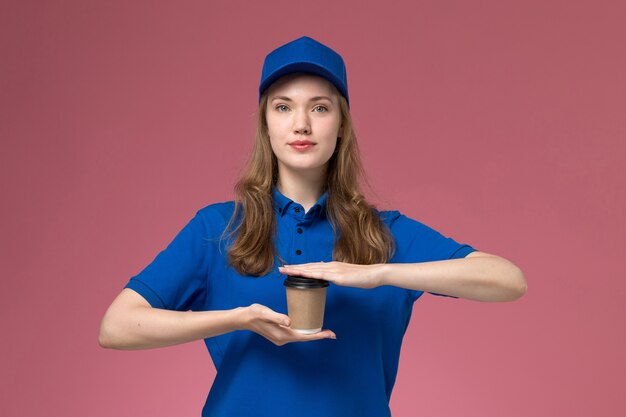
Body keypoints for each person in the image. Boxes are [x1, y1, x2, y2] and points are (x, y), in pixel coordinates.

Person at [98, 35, 527, 416]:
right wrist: (238, 319)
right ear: (266, 124)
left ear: (341, 126)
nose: (301, 124)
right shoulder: (219, 228)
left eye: (319, 108)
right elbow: (117, 327)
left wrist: (378, 273)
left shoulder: (383, 234)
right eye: (283, 107)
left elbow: (507, 279)